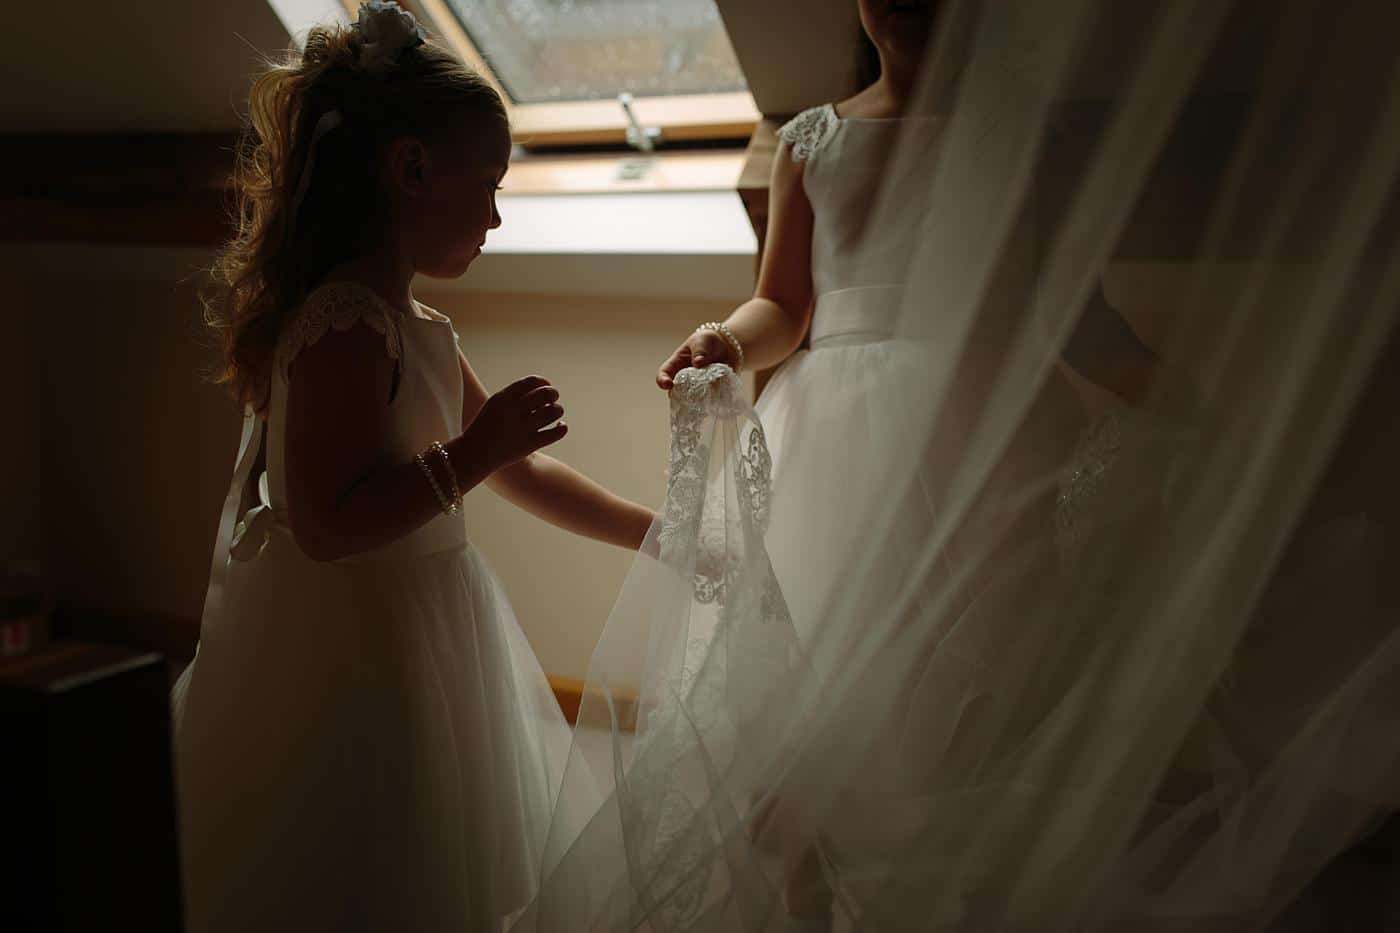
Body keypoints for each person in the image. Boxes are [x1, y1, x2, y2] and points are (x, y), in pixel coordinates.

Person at [173, 5, 652, 930]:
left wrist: (656, 533)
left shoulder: (421, 328)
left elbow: (524, 475)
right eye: (489, 186)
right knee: (355, 865)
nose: (497, 216)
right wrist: (475, 452)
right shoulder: (344, 323)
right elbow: (325, 524)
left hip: (428, 633)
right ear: (412, 170)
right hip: (345, 646)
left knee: (426, 864)